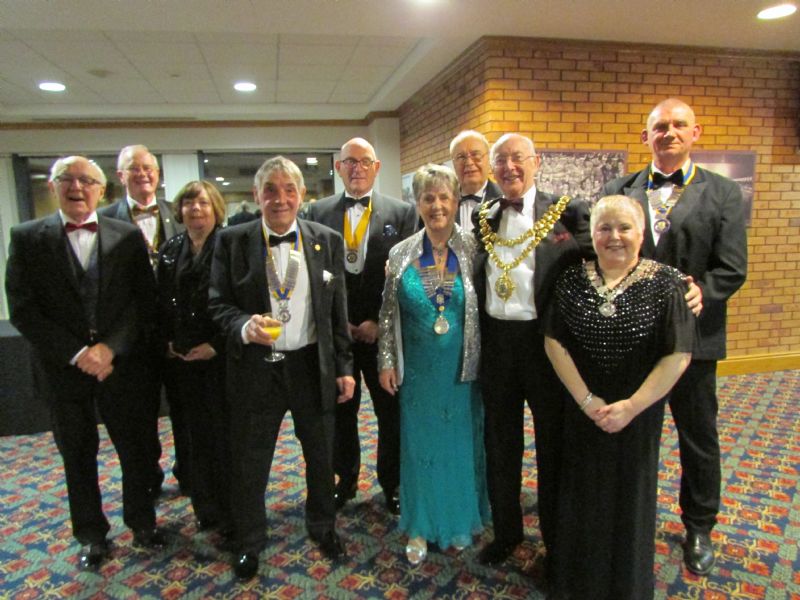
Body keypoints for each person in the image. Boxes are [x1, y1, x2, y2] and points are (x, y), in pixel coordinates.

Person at [603, 98, 748, 575]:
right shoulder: (619, 188)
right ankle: (629, 517)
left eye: (678, 125)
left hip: (694, 341)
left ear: (695, 133)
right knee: (631, 432)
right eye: (659, 126)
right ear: (645, 137)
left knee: (698, 437)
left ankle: (699, 525)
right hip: (633, 343)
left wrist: (703, 293)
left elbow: (732, 267)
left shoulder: (723, 193)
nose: (668, 133)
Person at [5, 156, 166, 571]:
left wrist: (110, 348)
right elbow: (24, 310)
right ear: (54, 186)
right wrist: (78, 354)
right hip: (64, 370)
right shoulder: (26, 237)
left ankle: (142, 523)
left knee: (136, 452)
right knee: (77, 455)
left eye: (86, 181)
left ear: (101, 189)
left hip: (121, 368)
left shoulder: (126, 236)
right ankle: (92, 534)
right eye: (67, 180)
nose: (77, 187)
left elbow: (141, 303)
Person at [208, 156, 355, 580]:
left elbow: (335, 311)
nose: (280, 198)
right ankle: (249, 539)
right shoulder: (232, 241)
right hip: (257, 367)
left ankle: (323, 525)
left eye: (289, 189)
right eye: (270, 190)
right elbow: (217, 302)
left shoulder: (325, 239)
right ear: (256, 196)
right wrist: (242, 325)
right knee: (250, 459)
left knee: (321, 452)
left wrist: (344, 365)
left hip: (311, 365)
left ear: (302, 196)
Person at [543, 195, 694, 599]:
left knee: (630, 496)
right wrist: (586, 400)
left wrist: (631, 406)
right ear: (590, 234)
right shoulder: (572, 277)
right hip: (583, 410)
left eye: (624, 228)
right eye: (604, 228)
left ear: (642, 233)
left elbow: (678, 354)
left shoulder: (666, 282)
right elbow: (554, 341)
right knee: (580, 493)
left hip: (637, 414)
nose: (614, 237)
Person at [473, 133, 593, 571]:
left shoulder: (568, 212)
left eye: (517, 158)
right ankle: (507, 534)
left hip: (547, 345)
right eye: (500, 160)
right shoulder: (483, 217)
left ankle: (557, 545)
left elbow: (608, 260)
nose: (509, 168)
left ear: (535, 161)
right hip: (498, 346)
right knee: (500, 444)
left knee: (552, 447)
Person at [377, 164, 490, 564]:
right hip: (418, 372)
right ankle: (422, 525)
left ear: (456, 201)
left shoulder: (476, 248)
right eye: (428, 198)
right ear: (417, 203)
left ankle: (458, 518)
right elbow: (387, 314)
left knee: (458, 445)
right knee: (419, 447)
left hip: (462, 369)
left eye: (444, 197)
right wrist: (386, 361)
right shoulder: (400, 253)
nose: (437, 205)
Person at [304, 137, 416, 514]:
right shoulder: (315, 213)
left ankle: (393, 484)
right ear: (338, 168)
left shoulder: (403, 214)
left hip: (381, 332)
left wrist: (376, 323)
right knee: (341, 410)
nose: (356, 169)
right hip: (338, 335)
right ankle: (345, 479)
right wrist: (342, 325)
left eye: (364, 161)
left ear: (377, 167)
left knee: (391, 412)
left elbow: (407, 277)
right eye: (349, 162)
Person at [100, 144, 186, 499]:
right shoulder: (104, 221)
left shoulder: (180, 213)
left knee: (185, 409)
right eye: (133, 169)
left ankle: (189, 473)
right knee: (139, 416)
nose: (143, 174)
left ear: (158, 174)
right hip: (130, 340)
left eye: (148, 167)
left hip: (177, 333)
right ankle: (148, 476)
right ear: (120, 177)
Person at [156, 181, 231, 536]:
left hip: (221, 358)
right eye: (188, 202)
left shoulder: (231, 244)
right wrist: (167, 340)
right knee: (192, 437)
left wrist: (216, 344)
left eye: (202, 202)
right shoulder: (171, 248)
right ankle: (205, 507)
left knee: (224, 437)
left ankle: (231, 508)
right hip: (182, 360)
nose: (195, 208)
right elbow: (160, 301)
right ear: (179, 209)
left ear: (216, 207)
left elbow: (244, 301)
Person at [449, 130, 503, 233]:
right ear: (453, 163)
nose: (469, 163)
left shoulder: (505, 200)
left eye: (476, 155)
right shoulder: (443, 203)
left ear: (489, 159)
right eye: (461, 157)